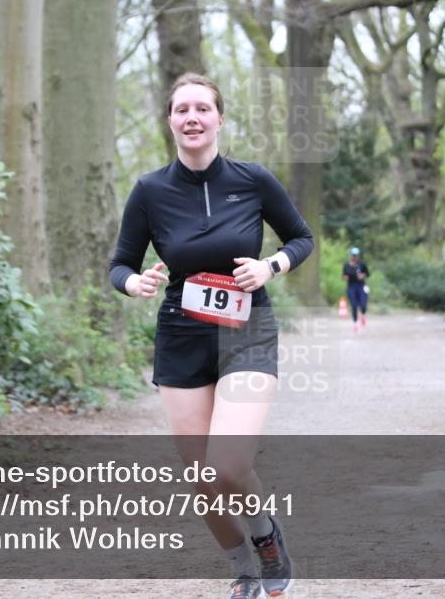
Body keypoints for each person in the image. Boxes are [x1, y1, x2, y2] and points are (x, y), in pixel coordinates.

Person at [109, 73, 314, 599]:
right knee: (202, 478)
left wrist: (270, 266)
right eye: (182, 110)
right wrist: (134, 283)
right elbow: (119, 264)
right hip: (181, 336)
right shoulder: (150, 191)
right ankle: (244, 571)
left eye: (202, 108)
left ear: (220, 118)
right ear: (170, 121)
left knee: (229, 465)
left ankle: (267, 538)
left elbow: (301, 238)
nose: (192, 117)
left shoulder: (253, 180)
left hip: (247, 331)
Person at [342, 246, 370, 332]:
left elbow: (367, 274)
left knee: (363, 305)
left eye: (356, 255)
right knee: (354, 305)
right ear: (350, 255)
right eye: (353, 255)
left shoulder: (362, 264)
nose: (354, 257)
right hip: (351, 286)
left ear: (359, 256)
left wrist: (363, 275)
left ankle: (363, 315)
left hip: (361, 286)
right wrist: (345, 277)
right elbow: (343, 276)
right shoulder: (346, 265)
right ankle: (355, 324)